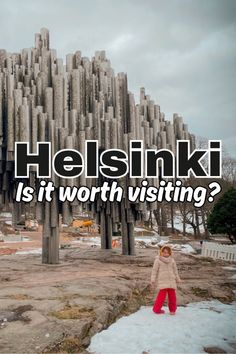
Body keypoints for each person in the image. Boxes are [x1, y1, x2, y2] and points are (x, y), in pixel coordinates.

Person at [150, 244, 182, 315]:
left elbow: (175, 270)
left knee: (172, 297)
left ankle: (172, 310)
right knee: (161, 297)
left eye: (167, 252)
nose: (165, 254)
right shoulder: (158, 260)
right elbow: (154, 270)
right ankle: (156, 309)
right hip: (162, 280)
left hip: (171, 281)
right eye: (164, 252)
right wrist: (153, 279)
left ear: (170, 253)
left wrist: (177, 278)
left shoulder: (172, 260)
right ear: (161, 252)